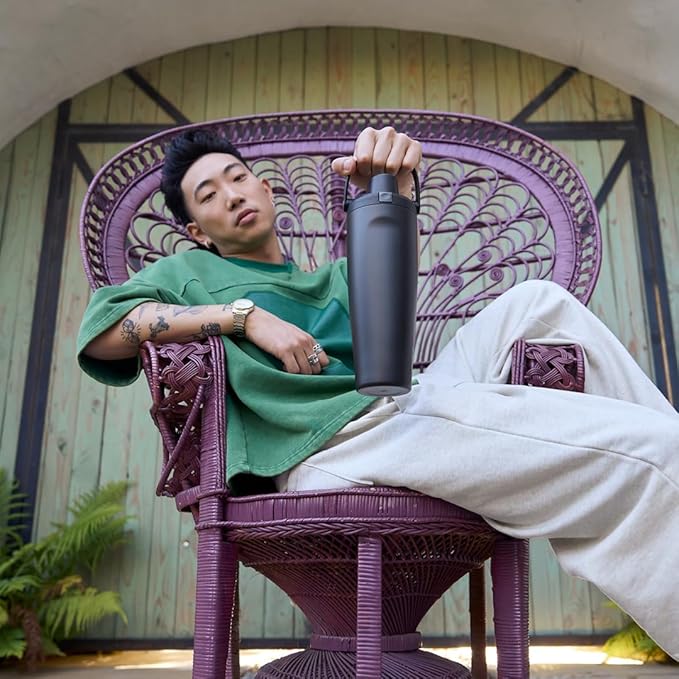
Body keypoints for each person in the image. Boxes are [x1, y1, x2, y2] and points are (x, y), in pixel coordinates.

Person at [77, 126, 679, 660]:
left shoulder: (337, 277)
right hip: (330, 446)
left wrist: (394, 189)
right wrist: (243, 317)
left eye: (238, 178)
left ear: (265, 188)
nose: (232, 195)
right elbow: (104, 334)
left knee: (540, 303)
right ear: (195, 231)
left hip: (398, 408)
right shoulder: (187, 274)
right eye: (208, 195)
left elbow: (393, 314)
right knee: (655, 453)